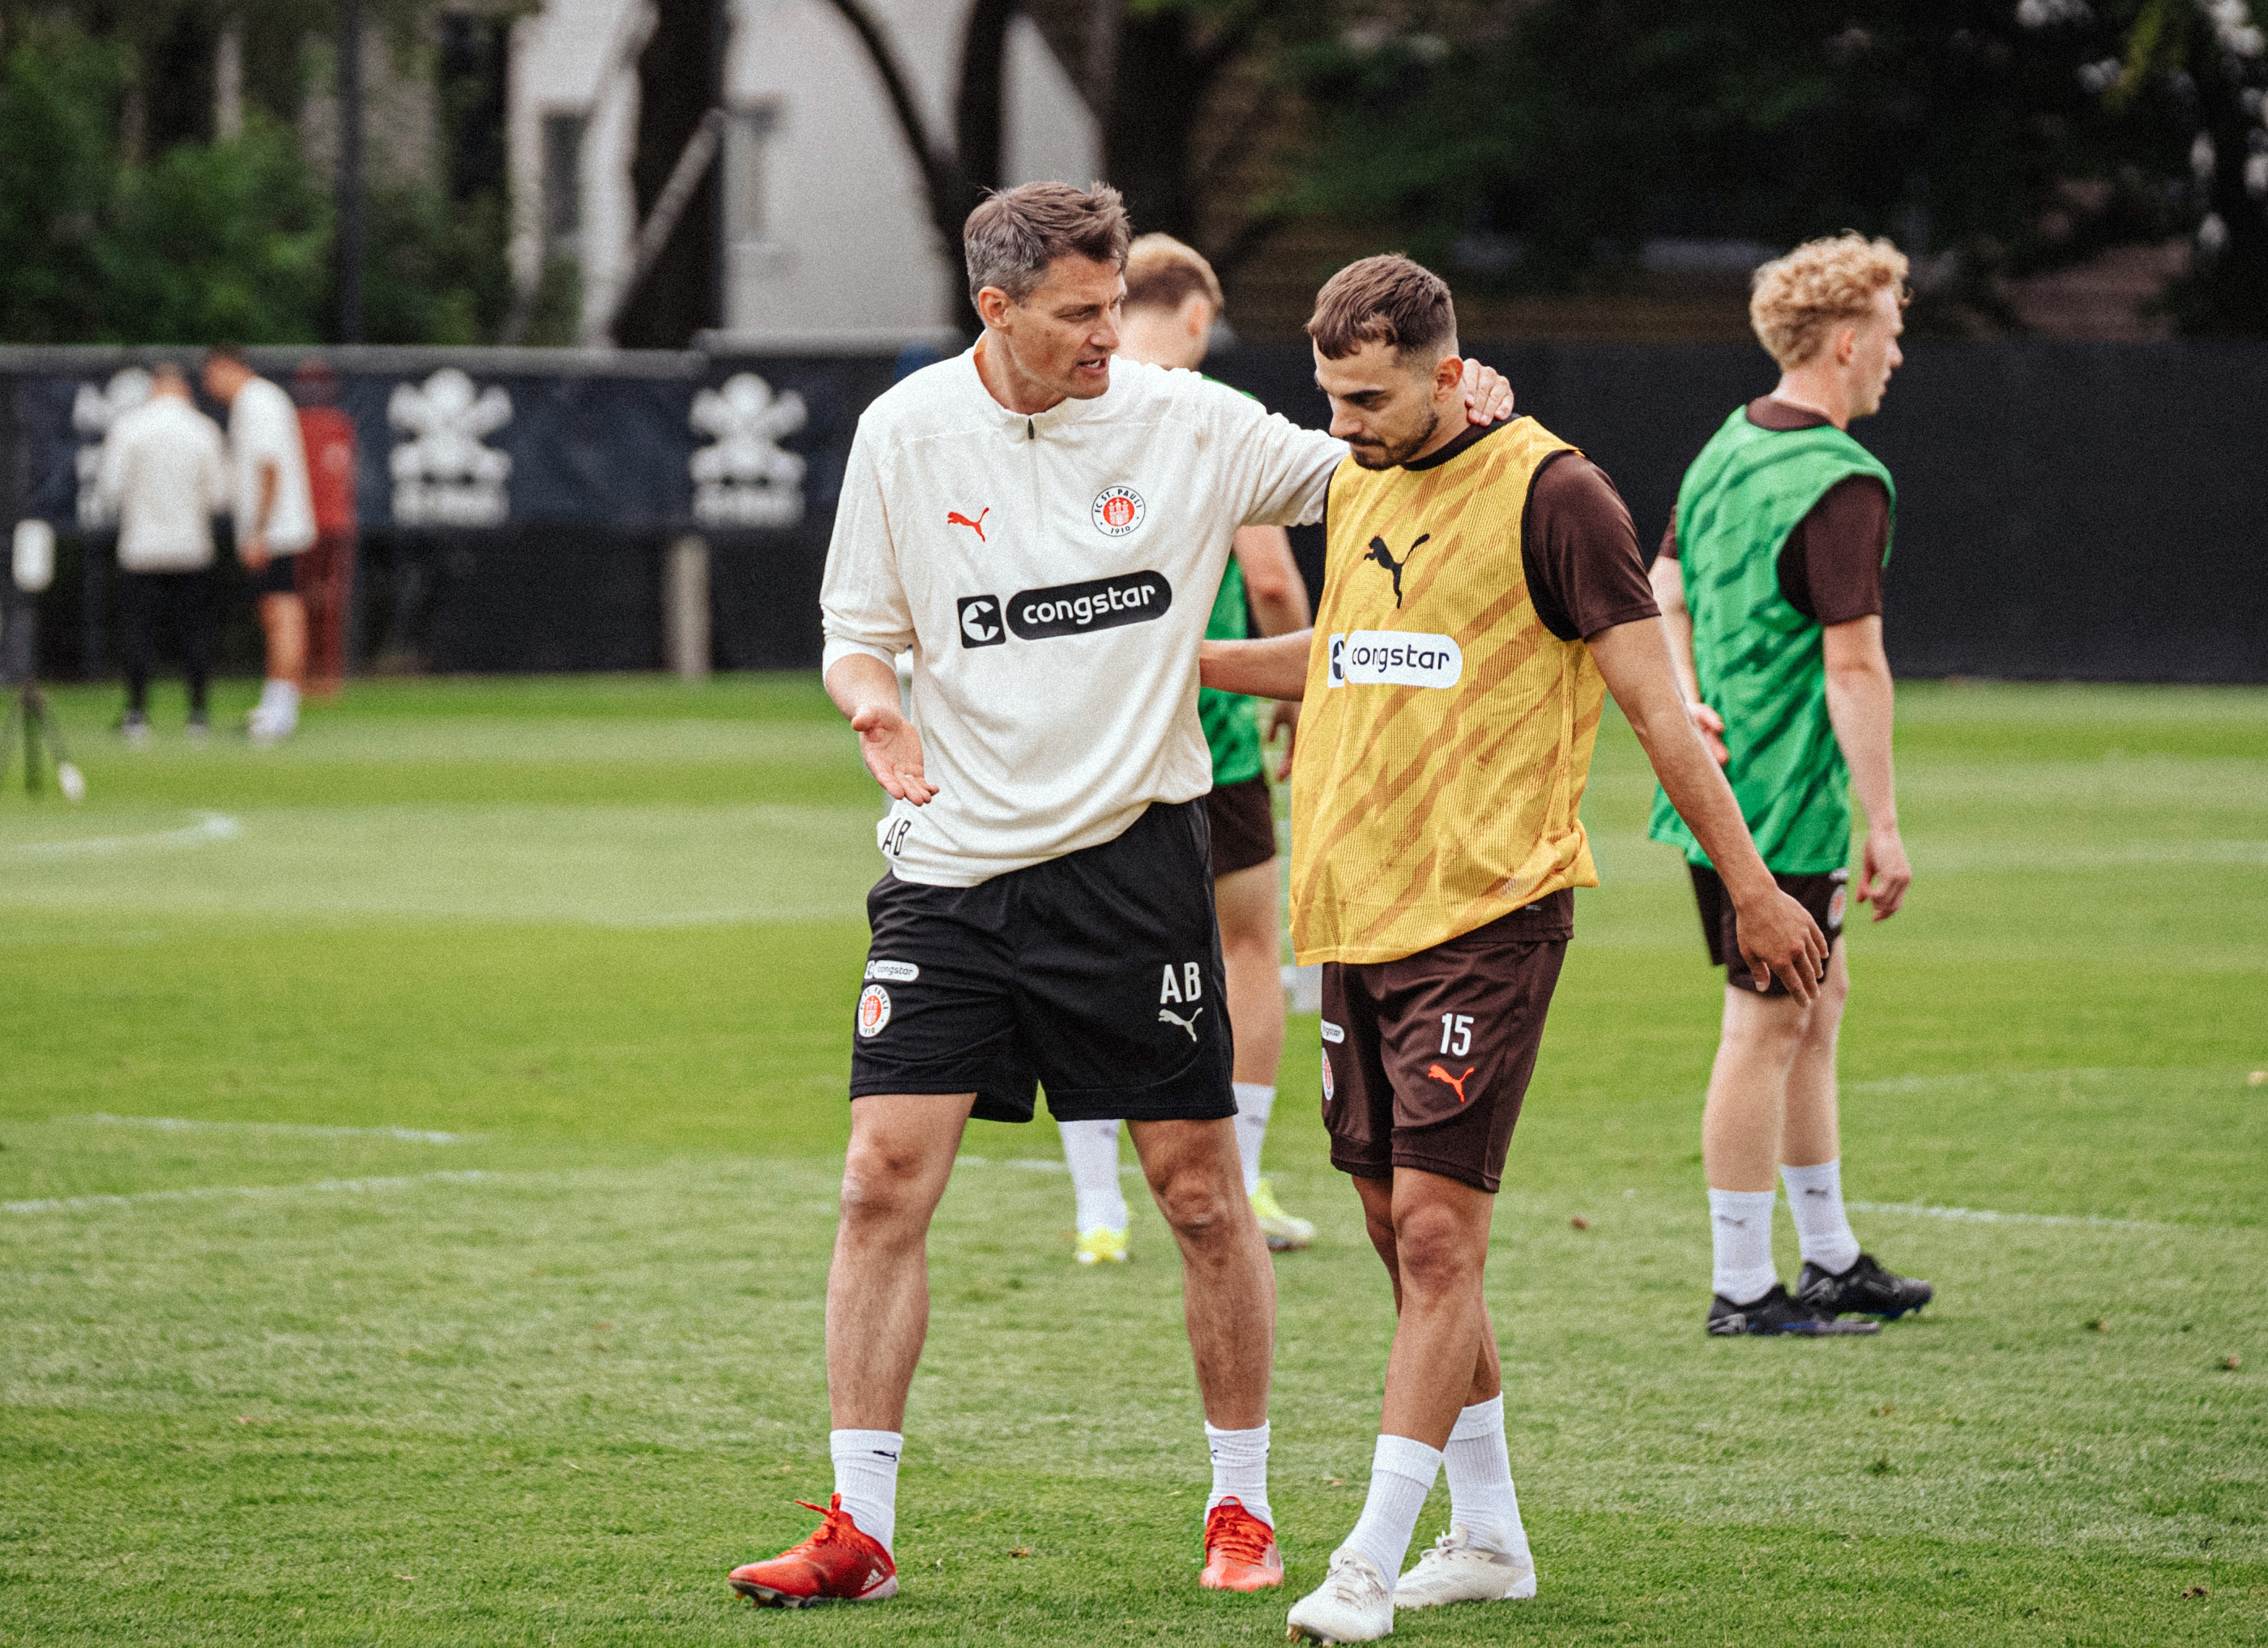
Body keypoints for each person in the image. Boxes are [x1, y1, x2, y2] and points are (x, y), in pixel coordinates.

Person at [724, 185, 1516, 1612]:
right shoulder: (903, 433)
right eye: (1083, 311)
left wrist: (1463, 411)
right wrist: (870, 713)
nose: (1112, 333)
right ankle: (857, 1521)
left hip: (1131, 861)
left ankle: (1239, 1503)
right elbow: (857, 634)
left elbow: (1362, 466)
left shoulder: (1184, 420)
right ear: (996, 309)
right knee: (876, 1178)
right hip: (950, 868)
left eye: (1115, 304)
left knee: (1202, 1194)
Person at [1198, 254, 1827, 1642]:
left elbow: (1660, 709)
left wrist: (1757, 888)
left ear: (1444, 368)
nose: (1341, 422)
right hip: (1352, 910)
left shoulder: (1557, 493)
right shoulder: (1357, 473)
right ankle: (1485, 1533)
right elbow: (1342, 652)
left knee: (1433, 1231)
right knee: (1390, 1227)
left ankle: (1364, 1558)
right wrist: (1179, 661)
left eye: (1365, 396)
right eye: (1327, 398)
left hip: (1486, 910)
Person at [1647, 233, 1933, 1337]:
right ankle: (1741, 1285)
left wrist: (1680, 700)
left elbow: (1659, 581)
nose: (1895, 357)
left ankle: (1825, 1255)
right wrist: (1885, 824)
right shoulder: (1838, 478)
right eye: (1892, 335)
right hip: (1778, 803)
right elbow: (1851, 663)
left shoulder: (1728, 443)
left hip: (1715, 789)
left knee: (1812, 1003)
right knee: (1762, 1022)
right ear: (1848, 341)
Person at [1055, 232, 1318, 1265]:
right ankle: (1242, 1179)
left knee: (1085, 957)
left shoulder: (1070, 404)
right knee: (1249, 947)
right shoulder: (1210, 416)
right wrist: (1291, 688)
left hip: (1083, 736)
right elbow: (1271, 585)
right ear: (1199, 314)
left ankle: (1097, 1209)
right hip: (1205, 734)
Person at [96, 361, 230, 745]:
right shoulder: (203, 429)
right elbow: (219, 496)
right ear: (184, 389)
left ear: (154, 388)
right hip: (192, 547)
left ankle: (137, 714)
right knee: (196, 633)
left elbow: (110, 489)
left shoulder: (129, 427)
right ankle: (198, 714)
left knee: (139, 632)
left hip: (142, 548)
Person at [203, 345, 316, 744]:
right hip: (274, 529)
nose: (209, 386)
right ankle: (275, 704)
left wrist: (259, 532)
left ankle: (281, 710)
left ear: (227, 367)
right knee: (274, 614)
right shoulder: (255, 403)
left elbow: (270, 468)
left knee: (282, 613)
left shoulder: (258, 402)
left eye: (210, 375)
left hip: (277, 531)